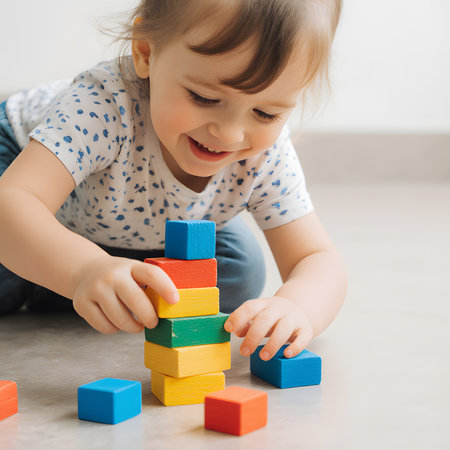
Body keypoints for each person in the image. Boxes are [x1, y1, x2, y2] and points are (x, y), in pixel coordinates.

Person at [0, 0, 346, 361]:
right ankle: (58, 272)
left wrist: (298, 307)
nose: (229, 134)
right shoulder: (104, 103)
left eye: (266, 113)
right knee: (8, 248)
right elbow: (14, 200)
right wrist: (83, 269)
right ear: (146, 53)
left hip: (128, 226)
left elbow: (316, 257)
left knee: (238, 271)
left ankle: (76, 279)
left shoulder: (266, 153)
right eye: (205, 97)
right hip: (23, 178)